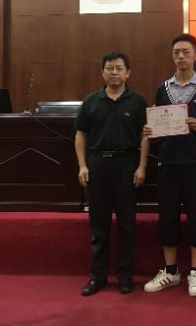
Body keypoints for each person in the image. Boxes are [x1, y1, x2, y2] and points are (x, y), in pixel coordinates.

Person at [143, 33, 196, 297]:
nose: (181, 56)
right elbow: (155, 123)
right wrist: (151, 130)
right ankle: (171, 270)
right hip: (168, 161)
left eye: (186, 52)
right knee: (167, 217)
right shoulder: (162, 88)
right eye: (176, 52)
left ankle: (195, 272)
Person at [75, 51, 149, 296]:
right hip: (97, 166)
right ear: (102, 72)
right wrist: (82, 165)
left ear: (128, 73)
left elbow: (145, 135)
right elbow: (81, 135)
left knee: (127, 225)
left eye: (119, 68)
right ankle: (97, 277)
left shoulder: (138, 101)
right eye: (110, 68)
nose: (114, 72)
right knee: (98, 226)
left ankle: (125, 277)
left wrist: (142, 166)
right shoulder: (91, 101)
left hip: (127, 166)